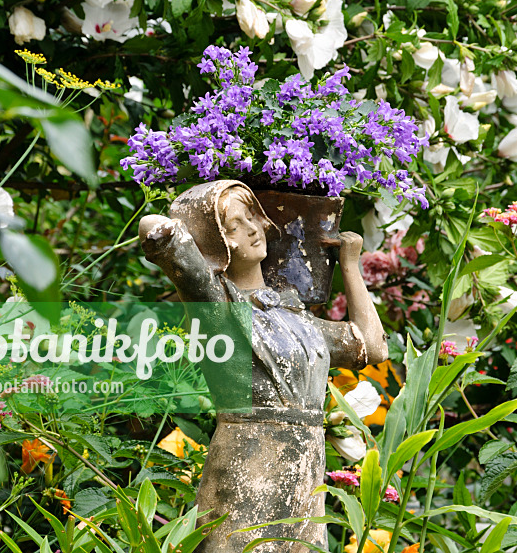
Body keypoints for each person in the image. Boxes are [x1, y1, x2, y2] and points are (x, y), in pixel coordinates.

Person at [138, 180, 386, 553]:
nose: (254, 228)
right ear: (218, 242)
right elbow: (157, 232)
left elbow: (373, 346)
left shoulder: (294, 316)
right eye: (236, 225)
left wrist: (350, 264)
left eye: (253, 215)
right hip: (246, 470)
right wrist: (204, 226)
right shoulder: (218, 305)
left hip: (304, 480)